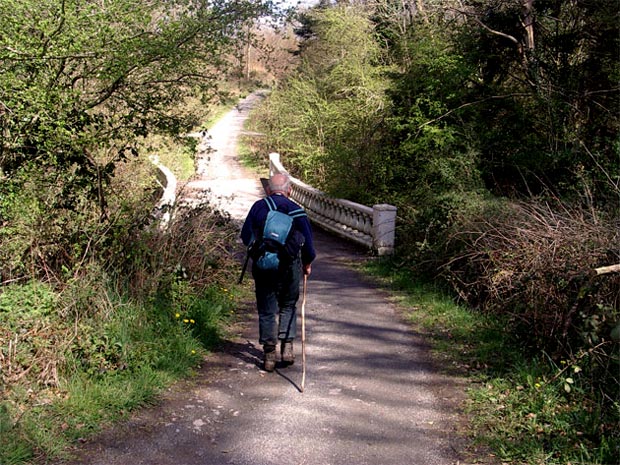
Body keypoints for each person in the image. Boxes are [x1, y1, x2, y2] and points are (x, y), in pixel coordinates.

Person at [241, 173, 316, 372]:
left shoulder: (259, 207)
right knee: (288, 304)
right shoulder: (297, 211)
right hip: (289, 265)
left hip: (264, 264)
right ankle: (287, 348)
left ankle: (269, 354)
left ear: (268, 190)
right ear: (289, 190)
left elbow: (245, 235)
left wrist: (258, 251)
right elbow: (308, 245)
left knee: (267, 307)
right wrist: (307, 263)